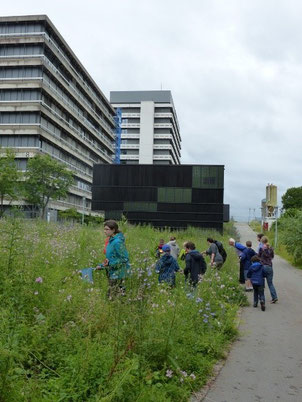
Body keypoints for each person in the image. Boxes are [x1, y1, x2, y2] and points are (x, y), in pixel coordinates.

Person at [98, 220, 130, 298]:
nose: (104, 231)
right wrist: (102, 266)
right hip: (112, 271)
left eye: (107, 229)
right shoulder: (110, 240)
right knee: (113, 295)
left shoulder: (117, 242)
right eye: (104, 229)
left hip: (119, 273)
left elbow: (125, 259)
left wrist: (110, 264)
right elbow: (111, 258)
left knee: (113, 296)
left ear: (113, 230)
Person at [258, 236, 278, 303]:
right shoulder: (271, 248)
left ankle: (261, 298)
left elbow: (259, 257)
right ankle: (274, 297)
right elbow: (272, 257)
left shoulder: (261, 248)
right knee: (270, 284)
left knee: (261, 282)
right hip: (269, 267)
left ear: (262, 241)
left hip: (263, 266)